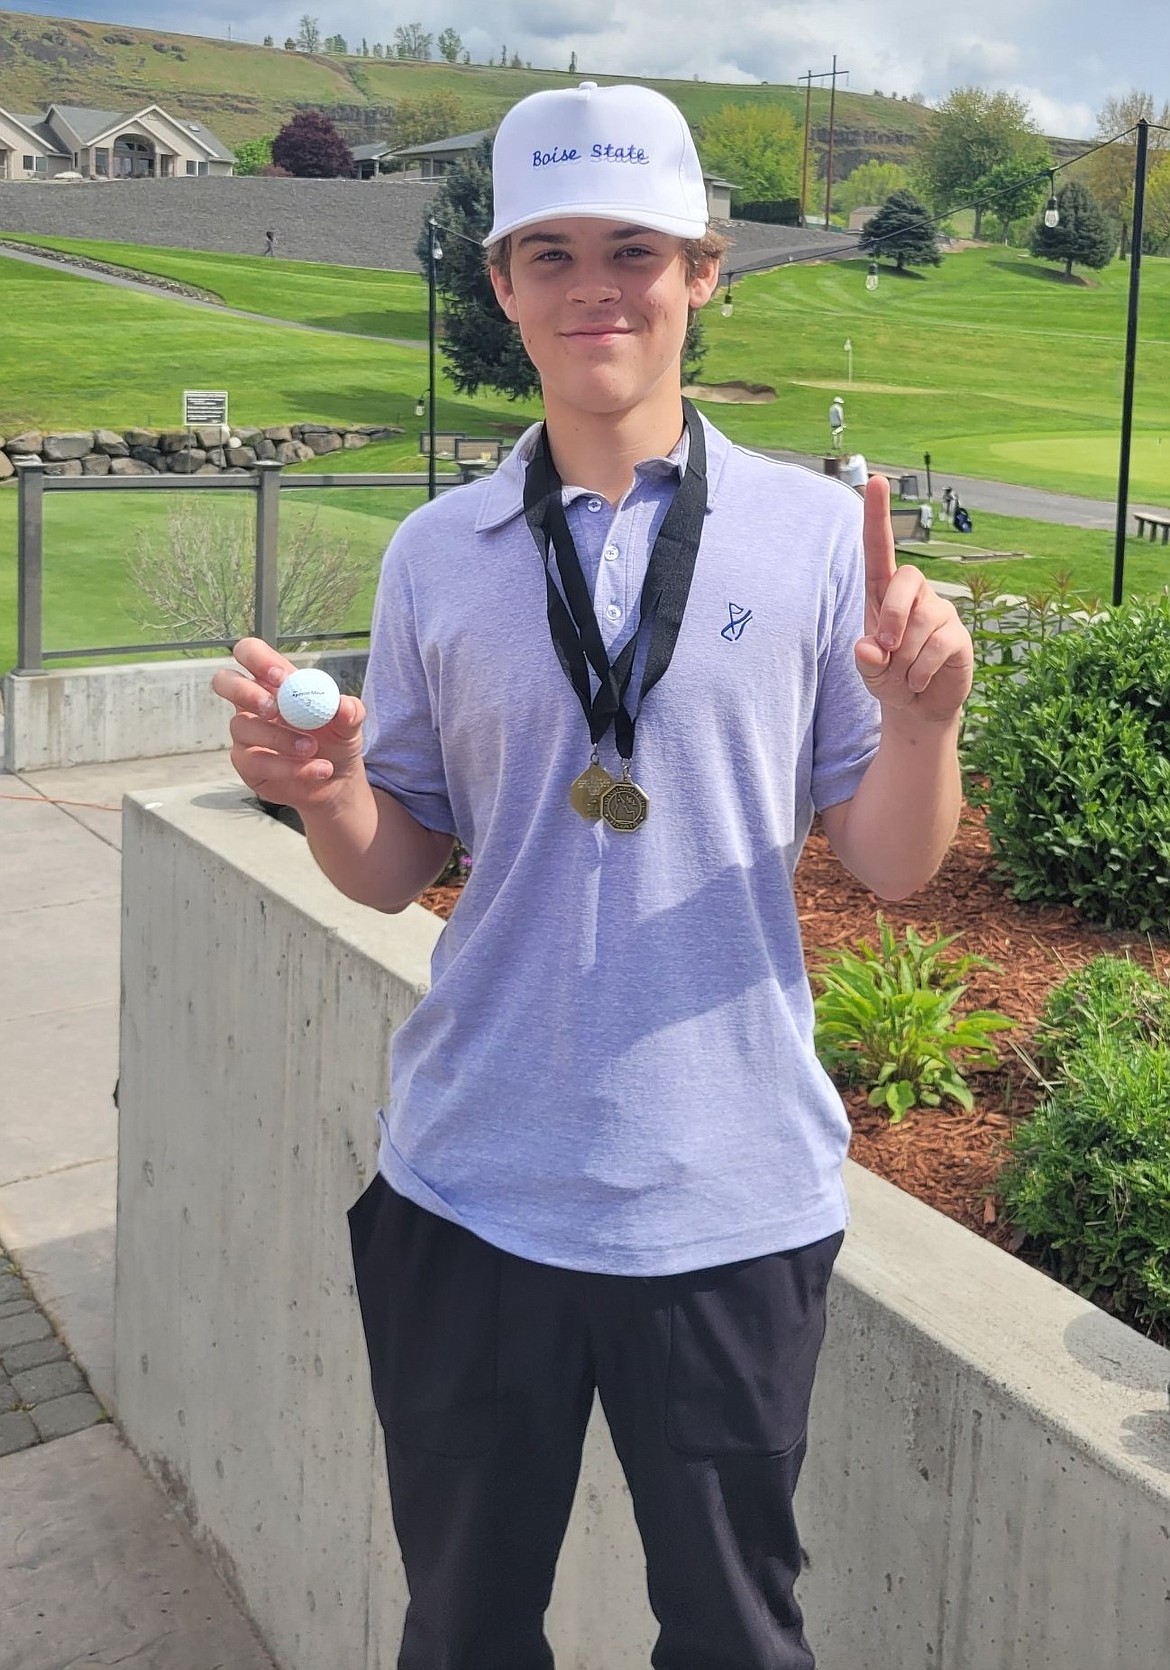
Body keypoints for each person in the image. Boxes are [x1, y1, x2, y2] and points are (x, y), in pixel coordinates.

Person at [212, 79, 973, 1670]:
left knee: (734, 1638)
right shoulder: (438, 551)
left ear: (705, 268)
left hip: (728, 1195)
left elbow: (892, 867)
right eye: (547, 253)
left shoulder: (817, 537)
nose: (592, 289)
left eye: (633, 247)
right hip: (470, 1184)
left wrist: (921, 726)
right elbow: (395, 865)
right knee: (464, 1628)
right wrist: (335, 788)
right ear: (500, 287)